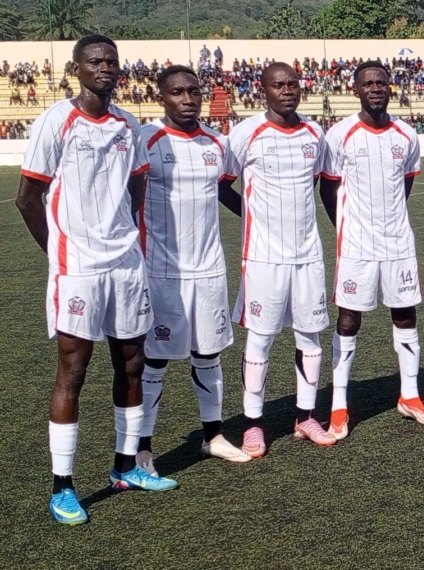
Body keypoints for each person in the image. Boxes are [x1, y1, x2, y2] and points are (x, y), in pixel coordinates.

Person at [16, 35, 176, 526]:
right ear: (76, 68)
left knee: (131, 362)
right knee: (74, 371)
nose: (105, 68)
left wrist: (121, 236)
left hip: (126, 264)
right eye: (95, 61)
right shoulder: (55, 120)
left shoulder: (128, 124)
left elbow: (136, 183)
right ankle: (62, 487)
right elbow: (28, 198)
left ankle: (126, 467)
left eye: (111, 62)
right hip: (78, 269)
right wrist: (61, 256)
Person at [135, 65, 250, 472]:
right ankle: (142, 448)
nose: (187, 99)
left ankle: (213, 436)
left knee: (209, 353)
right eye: (178, 93)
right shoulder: (145, 140)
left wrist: (257, 220)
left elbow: (225, 189)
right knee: (156, 360)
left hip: (210, 270)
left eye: (193, 92)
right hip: (161, 272)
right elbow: (127, 198)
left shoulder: (217, 143)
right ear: (161, 97)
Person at [219, 62, 336, 457]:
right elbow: (223, 184)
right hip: (263, 258)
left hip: (307, 256)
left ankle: (306, 417)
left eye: (292, 85)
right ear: (263, 90)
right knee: (261, 339)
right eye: (278, 85)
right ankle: (254, 424)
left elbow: (318, 183)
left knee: (310, 337)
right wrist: (252, 216)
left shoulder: (314, 134)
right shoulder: (245, 133)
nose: (287, 91)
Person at [320, 62, 424, 432]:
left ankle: (409, 395)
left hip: (398, 242)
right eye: (368, 83)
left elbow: (404, 186)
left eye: (382, 83)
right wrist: (347, 226)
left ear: (391, 88)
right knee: (349, 319)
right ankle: (339, 405)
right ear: (356, 90)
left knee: (405, 314)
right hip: (356, 244)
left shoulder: (405, 134)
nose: (375, 88)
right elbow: (327, 188)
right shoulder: (339, 135)